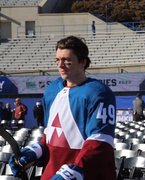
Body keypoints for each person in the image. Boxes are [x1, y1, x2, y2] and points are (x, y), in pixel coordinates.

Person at [9, 36, 117, 180]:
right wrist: (35, 151)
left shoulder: (99, 93)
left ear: (83, 62)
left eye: (67, 61)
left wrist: (76, 171)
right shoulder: (52, 90)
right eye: (57, 60)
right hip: (51, 173)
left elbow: (100, 143)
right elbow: (51, 135)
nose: (60, 65)